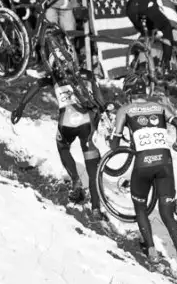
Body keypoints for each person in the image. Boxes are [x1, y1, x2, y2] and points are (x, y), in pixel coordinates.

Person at [106, 73, 177, 282]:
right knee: (167, 212)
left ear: (128, 92)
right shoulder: (160, 106)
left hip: (143, 163)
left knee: (140, 206)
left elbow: (114, 145)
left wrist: (114, 140)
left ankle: (151, 251)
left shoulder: (125, 110)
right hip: (165, 163)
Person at [10, 56, 109, 218]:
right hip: (85, 122)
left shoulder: (54, 77)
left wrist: (20, 107)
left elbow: (35, 86)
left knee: (62, 146)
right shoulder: (85, 73)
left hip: (66, 122)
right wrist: (102, 108)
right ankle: (96, 209)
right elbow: (98, 96)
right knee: (92, 166)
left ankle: (76, 180)